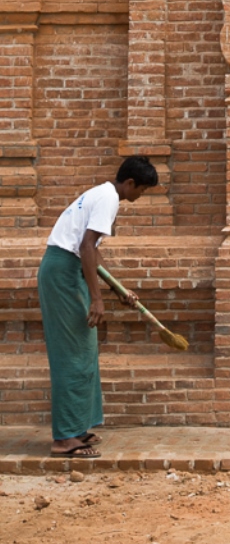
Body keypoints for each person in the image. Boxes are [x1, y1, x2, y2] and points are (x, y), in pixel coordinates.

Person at [37, 155, 158, 458]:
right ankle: (64, 439)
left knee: (84, 349)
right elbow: (85, 247)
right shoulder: (108, 199)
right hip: (63, 272)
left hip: (68, 269)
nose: (140, 196)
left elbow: (93, 253)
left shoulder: (102, 194)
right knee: (72, 354)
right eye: (141, 190)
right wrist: (97, 298)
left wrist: (117, 289)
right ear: (129, 183)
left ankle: (77, 429)